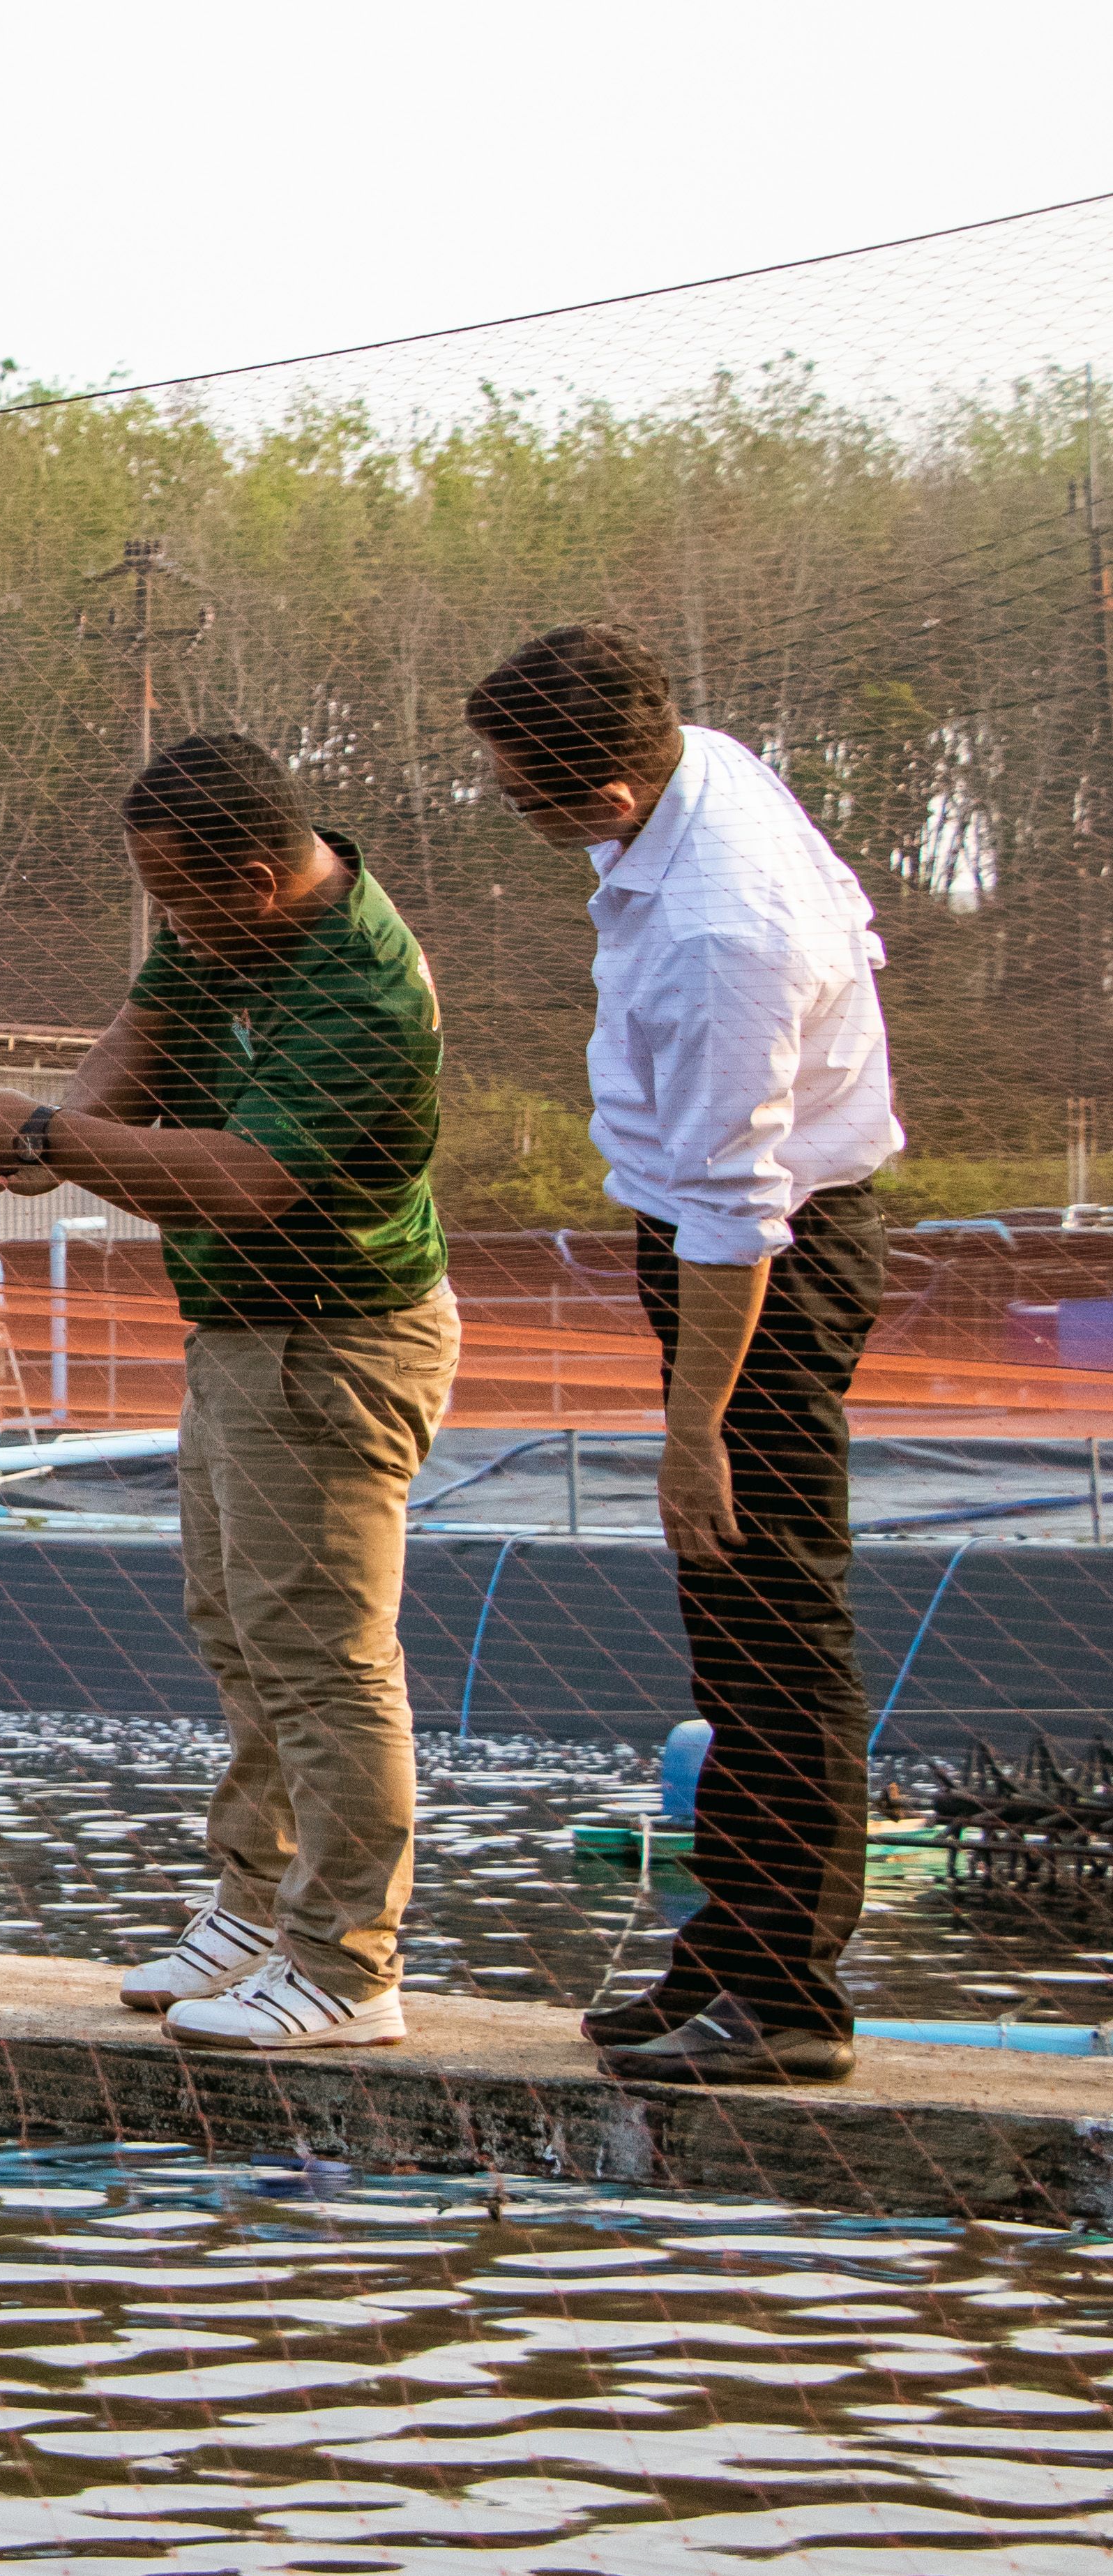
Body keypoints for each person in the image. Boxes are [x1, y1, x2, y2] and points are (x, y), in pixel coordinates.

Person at [0, 733, 454, 2051]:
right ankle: (252, 1906)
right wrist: (54, 1136)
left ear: (254, 877)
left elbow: (239, 1180)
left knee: (328, 1658)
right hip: (243, 1328)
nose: (166, 921)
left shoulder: (367, 999)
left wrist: (50, 1139)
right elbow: (149, 1023)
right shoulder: (227, 916)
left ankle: (348, 1963)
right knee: (235, 1624)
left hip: (337, 1339)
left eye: (179, 893)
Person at [467, 625, 901, 2087]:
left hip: (763, 1263)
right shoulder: (693, 770)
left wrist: (690, 1424)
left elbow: (737, 1213)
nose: (505, 808)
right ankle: (727, 1942)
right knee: (725, 1615)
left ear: (597, 788)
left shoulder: (723, 926)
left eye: (518, 787)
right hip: (726, 1234)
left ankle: (788, 1994)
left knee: (770, 1600)